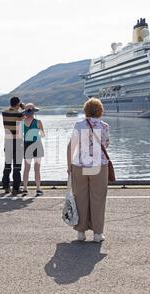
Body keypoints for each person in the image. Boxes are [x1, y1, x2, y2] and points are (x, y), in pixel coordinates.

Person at [67, 98, 110, 243]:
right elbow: (106, 144)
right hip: (98, 166)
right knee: (98, 199)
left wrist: (69, 166)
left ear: (85, 110)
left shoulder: (78, 125)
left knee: (80, 198)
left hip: (80, 165)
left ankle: (81, 232)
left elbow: (70, 146)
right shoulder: (104, 126)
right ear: (100, 110)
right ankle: (97, 234)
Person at [2, 97, 26, 196]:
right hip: (17, 142)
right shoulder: (19, 114)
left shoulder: (4, 113)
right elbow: (26, 114)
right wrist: (23, 107)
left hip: (7, 142)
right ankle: (15, 188)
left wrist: (19, 107)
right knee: (17, 166)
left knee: (7, 165)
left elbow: (15, 113)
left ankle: (6, 186)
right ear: (18, 104)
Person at [22, 103, 45, 197]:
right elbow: (43, 134)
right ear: (33, 112)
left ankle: (25, 189)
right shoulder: (38, 122)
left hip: (27, 145)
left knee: (26, 168)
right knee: (37, 169)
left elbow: (20, 135)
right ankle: (38, 189)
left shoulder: (22, 122)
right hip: (37, 145)